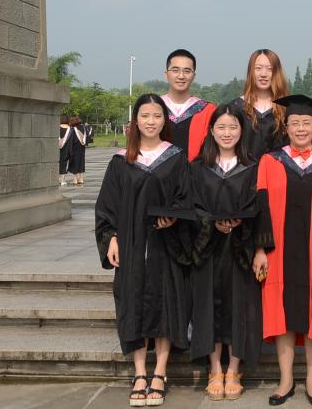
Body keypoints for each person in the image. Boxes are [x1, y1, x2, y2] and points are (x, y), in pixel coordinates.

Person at [94, 94, 193, 407]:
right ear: (135, 121)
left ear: (165, 121)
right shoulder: (121, 161)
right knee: (133, 303)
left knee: (166, 304)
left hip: (166, 245)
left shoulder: (176, 158)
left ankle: (160, 372)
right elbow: (106, 206)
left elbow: (187, 199)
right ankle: (139, 373)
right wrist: (110, 238)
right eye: (145, 116)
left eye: (157, 116)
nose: (151, 121)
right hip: (132, 245)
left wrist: (174, 216)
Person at [253, 95, 312, 407]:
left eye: (306, 123)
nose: (301, 128)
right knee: (281, 313)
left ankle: (311, 378)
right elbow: (262, 208)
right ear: (286, 127)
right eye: (295, 123)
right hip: (279, 252)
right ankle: (285, 379)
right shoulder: (270, 162)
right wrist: (261, 249)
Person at [187, 103, 261, 401]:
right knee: (209, 307)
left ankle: (234, 368)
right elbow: (191, 207)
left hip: (241, 250)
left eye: (233, 127)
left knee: (239, 307)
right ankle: (214, 368)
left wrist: (240, 226)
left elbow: (260, 208)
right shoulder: (197, 168)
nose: (227, 133)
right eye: (221, 127)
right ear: (211, 130)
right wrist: (211, 224)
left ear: (242, 131)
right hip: (209, 249)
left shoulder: (253, 167)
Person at [232, 49, 289, 163]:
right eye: (258, 68)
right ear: (251, 72)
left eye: (270, 69)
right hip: (244, 171)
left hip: (279, 170)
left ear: (276, 72)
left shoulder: (287, 108)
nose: (263, 74)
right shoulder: (235, 108)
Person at [160, 49, 217, 161]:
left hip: (196, 171)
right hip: (158, 171)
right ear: (166, 74)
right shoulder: (154, 108)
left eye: (187, 71)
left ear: (194, 76)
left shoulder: (207, 110)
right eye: (175, 70)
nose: (181, 76)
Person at [66, 115, 88, 187]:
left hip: (74, 149)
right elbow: (87, 138)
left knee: (74, 162)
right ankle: (81, 178)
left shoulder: (73, 129)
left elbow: (71, 141)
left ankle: (75, 179)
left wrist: (69, 150)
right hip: (82, 148)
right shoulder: (83, 128)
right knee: (81, 162)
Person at [58, 114, 71, 186]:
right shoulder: (70, 129)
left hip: (57, 148)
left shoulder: (56, 128)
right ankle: (62, 180)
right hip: (66, 149)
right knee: (64, 163)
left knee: (57, 163)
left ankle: (56, 179)